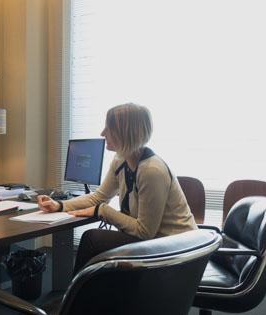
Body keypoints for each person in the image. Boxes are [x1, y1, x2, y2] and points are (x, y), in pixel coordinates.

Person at [37, 103, 197, 273]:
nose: (102, 133)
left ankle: (78, 296)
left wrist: (103, 211)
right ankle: (90, 295)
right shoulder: (120, 159)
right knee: (96, 242)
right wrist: (59, 206)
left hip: (178, 249)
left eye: (109, 127)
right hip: (156, 242)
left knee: (93, 239)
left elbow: (144, 232)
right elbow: (98, 197)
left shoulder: (151, 170)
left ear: (125, 133)